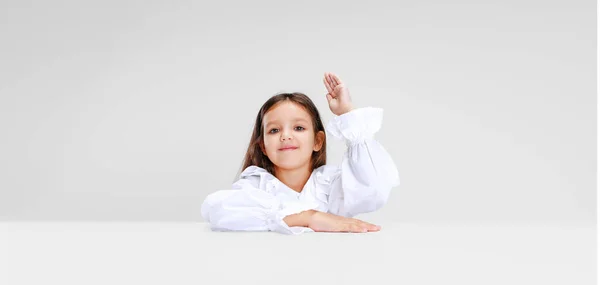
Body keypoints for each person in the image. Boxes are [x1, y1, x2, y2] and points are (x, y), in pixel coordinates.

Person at [200, 72, 400, 235]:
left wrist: (347, 112)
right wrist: (308, 217)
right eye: (274, 130)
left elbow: (374, 189)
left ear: (317, 141)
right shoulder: (256, 185)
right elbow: (218, 211)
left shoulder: (330, 185)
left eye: (298, 128)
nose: (286, 136)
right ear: (263, 146)